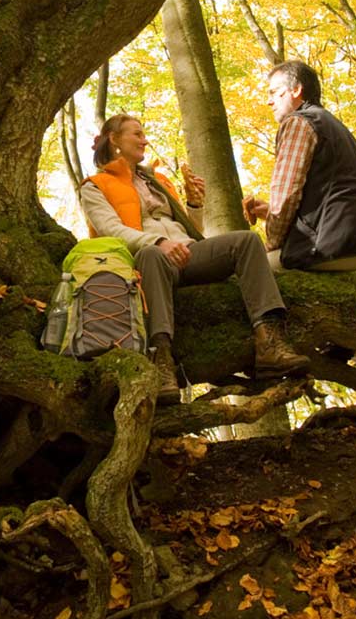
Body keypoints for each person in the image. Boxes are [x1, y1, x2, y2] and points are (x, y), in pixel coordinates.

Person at [79, 114, 310, 404]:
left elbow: (191, 230)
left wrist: (194, 204)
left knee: (247, 240)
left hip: (187, 252)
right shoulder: (94, 186)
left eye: (144, 133)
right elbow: (111, 230)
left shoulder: (158, 180)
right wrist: (158, 242)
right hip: (145, 261)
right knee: (151, 254)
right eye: (137, 134)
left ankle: (270, 342)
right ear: (114, 139)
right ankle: (161, 360)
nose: (145, 140)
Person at [243, 61, 356, 272]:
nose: (269, 101)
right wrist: (270, 214)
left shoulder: (298, 123)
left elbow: (285, 199)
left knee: (246, 272)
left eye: (274, 92)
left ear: (295, 90)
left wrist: (271, 245)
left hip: (336, 249)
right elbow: (336, 193)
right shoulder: (334, 126)